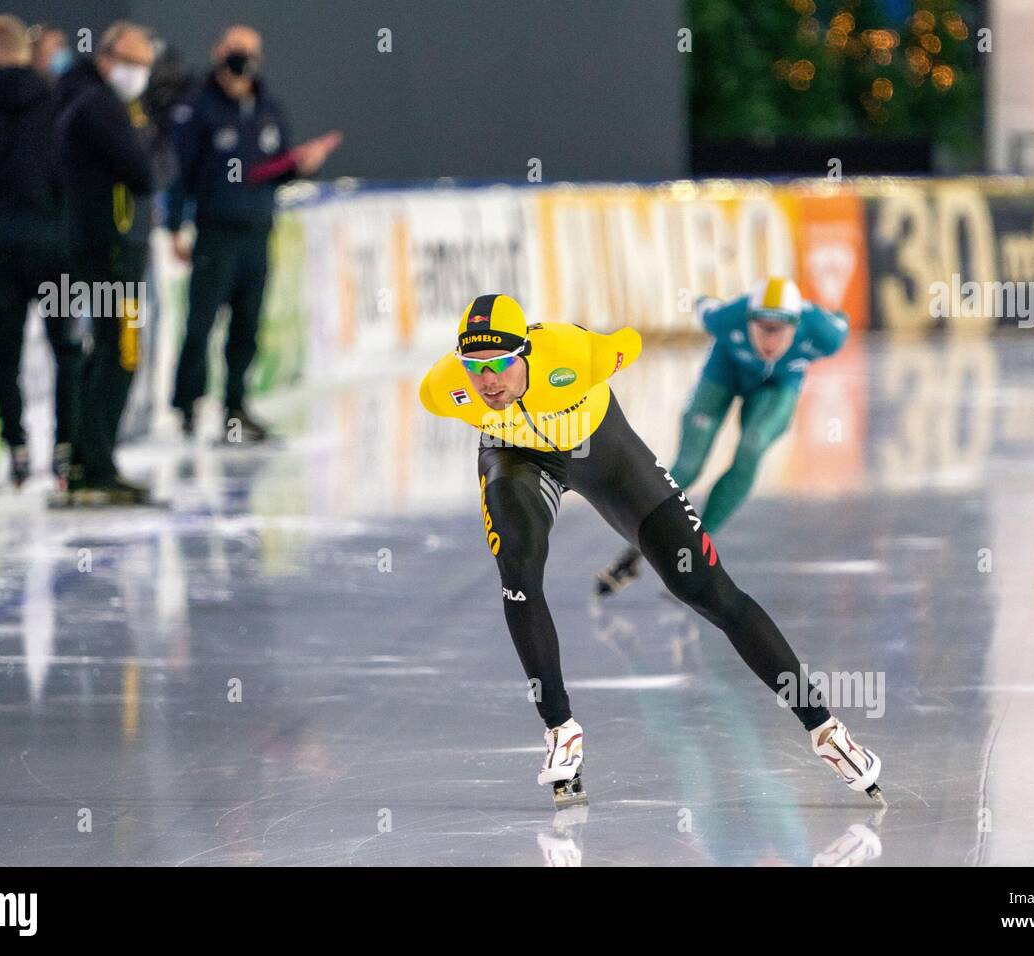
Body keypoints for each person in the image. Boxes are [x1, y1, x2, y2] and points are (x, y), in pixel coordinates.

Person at [418, 293, 882, 806]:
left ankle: (825, 729)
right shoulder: (443, 389)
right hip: (518, 460)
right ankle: (560, 729)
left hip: (606, 456)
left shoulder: (573, 354)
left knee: (705, 588)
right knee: (518, 571)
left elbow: (629, 342)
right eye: (475, 367)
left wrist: (581, 337)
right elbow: (449, 387)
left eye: (501, 363)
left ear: (526, 351)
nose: (488, 381)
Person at [597, 277, 850, 595]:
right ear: (747, 320)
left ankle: (697, 552)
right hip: (724, 375)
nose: (770, 340)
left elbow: (842, 322)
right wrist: (698, 297)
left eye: (780, 330)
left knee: (752, 446)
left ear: (797, 326)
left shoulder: (825, 334)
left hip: (777, 388)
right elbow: (704, 304)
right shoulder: (726, 318)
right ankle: (634, 550)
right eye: (762, 328)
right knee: (687, 467)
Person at [166, 25, 342, 442]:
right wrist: (174, 226)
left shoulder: (268, 109)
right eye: (234, 49)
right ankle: (187, 404)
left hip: (257, 232)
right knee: (202, 323)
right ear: (217, 51)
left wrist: (302, 166)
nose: (241, 57)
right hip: (215, 232)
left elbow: (274, 170)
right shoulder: (196, 109)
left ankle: (235, 405)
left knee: (247, 324)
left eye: (249, 51)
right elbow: (179, 174)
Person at [0, 13, 80, 488]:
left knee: (6, 353)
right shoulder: (57, 104)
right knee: (66, 347)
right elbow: (72, 176)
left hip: (0, 247)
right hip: (55, 247)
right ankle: (67, 451)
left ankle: (18, 450)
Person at [53, 21, 158, 505]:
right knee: (119, 353)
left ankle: (88, 461)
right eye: (133, 63)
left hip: (106, 249)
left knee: (107, 352)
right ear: (108, 58)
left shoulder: (101, 104)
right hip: (111, 253)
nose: (140, 73)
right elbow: (144, 170)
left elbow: (151, 167)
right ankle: (95, 465)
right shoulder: (98, 106)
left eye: (146, 65)